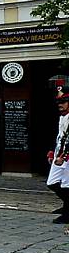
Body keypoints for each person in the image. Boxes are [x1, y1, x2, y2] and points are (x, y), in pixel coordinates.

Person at [46, 80, 69, 224]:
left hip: (66, 157)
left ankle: (67, 212)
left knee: (66, 185)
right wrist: (51, 153)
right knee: (52, 182)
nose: (60, 104)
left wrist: (65, 156)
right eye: (59, 101)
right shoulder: (62, 117)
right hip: (59, 155)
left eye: (64, 101)